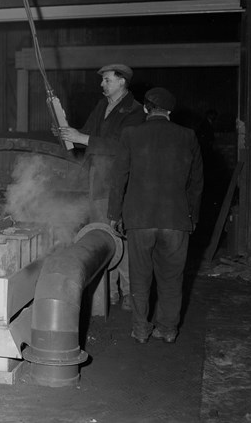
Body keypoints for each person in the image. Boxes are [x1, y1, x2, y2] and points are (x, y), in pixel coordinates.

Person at [107, 87, 204, 344]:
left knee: (140, 276)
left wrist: (114, 214)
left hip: (139, 220)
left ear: (146, 109)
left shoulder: (131, 134)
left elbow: (119, 178)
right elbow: (197, 182)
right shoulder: (188, 136)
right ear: (170, 111)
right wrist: (192, 217)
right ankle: (168, 330)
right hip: (176, 221)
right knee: (172, 278)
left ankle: (140, 330)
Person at [57, 63, 145, 310]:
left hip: (119, 182)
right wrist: (67, 131)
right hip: (98, 180)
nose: (101, 84)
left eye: (106, 80)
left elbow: (122, 146)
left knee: (119, 235)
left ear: (121, 82)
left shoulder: (135, 111)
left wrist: (82, 138)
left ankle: (129, 292)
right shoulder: (102, 106)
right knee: (101, 235)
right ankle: (110, 291)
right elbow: (86, 135)